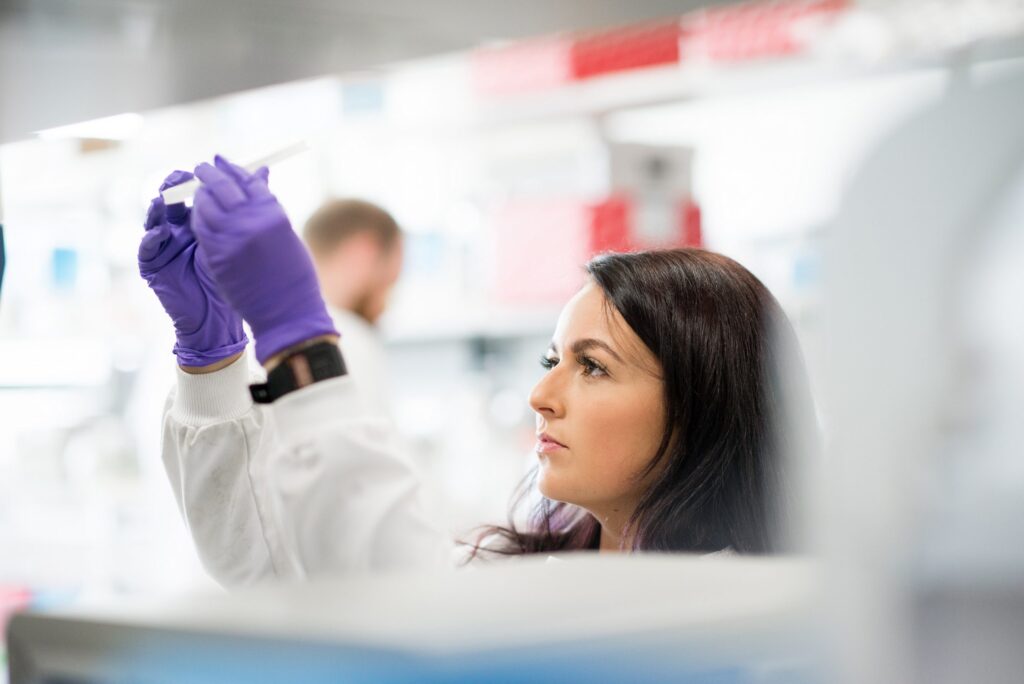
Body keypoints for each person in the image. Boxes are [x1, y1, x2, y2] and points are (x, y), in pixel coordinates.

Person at [139, 157, 810, 586]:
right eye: (552, 360)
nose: (540, 396)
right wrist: (212, 357)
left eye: (592, 367)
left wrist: (302, 339)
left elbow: (401, 603)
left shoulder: (720, 610)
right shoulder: (521, 573)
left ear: (703, 405)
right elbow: (270, 573)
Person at [303, 199, 404, 418]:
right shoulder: (345, 340)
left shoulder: (265, 336)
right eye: (389, 283)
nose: (385, 306)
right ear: (364, 253)